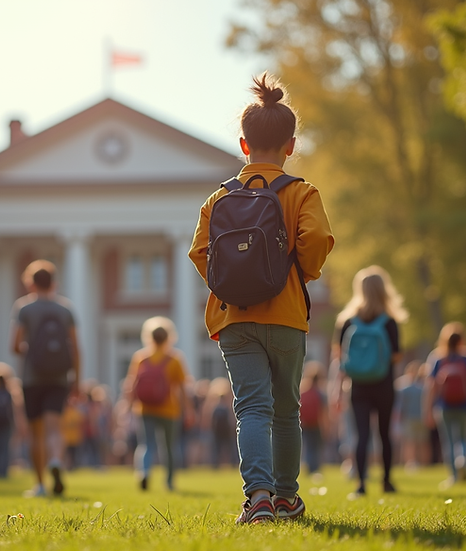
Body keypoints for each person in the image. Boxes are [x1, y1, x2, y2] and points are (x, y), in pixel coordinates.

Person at [188, 73, 334, 523]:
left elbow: (199, 253)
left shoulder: (217, 199)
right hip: (287, 314)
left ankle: (259, 499)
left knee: (251, 406)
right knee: (286, 409)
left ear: (243, 145)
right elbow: (317, 238)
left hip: (235, 318)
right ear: (291, 145)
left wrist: (232, 285)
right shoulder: (301, 192)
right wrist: (300, 274)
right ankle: (288, 498)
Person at [334, 266, 406, 497]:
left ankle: (361, 484)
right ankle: (386, 481)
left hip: (357, 385)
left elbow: (339, 356)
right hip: (384, 384)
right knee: (384, 434)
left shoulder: (347, 321)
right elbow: (396, 355)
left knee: (361, 435)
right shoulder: (389, 322)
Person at [11, 260, 81, 497]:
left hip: (32, 377)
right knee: (54, 428)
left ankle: (40, 485)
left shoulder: (24, 308)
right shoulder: (65, 309)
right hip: (59, 377)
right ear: (53, 282)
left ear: (31, 283)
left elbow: (15, 345)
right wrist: (77, 380)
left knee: (36, 431)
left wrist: (30, 350)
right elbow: (75, 348)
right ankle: (56, 460)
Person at [123, 317, 193, 491]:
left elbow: (131, 384)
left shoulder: (141, 358)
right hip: (169, 409)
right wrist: (189, 410)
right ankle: (169, 481)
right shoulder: (175, 359)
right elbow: (183, 388)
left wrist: (126, 406)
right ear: (169, 337)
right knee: (169, 447)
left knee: (146, 444)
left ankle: (144, 472)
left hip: (145, 408)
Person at [425, 323, 466, 488]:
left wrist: (428, 409)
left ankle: (453, 476)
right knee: (464, 437)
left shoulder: (437, 358)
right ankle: (464, 459)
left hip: (444, 405)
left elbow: (431, 386)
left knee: (449, 441)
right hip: (465, 404)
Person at [394, 362, 429, 470]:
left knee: (416, 442)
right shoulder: (422, 386)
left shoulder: (405, 387)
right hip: (414, 417)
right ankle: (414, 463)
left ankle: (417, 463)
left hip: (415, 417)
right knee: (414, 442)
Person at [299, 362, 327, 476]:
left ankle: (309, 467)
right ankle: (314, 468)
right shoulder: (320, 393)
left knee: (308, 446)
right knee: (315, 447)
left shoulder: (303, 391)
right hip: (316, 424)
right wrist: (326, 427)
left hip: (304, 424)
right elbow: (324, 412)